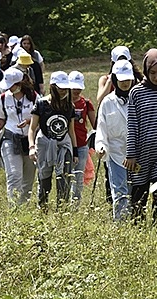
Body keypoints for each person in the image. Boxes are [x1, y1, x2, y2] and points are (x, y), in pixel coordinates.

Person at [124, 48, 157, 223]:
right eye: (153, 73)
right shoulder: (136, 92)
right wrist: (131, 154)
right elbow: (132, 125)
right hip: (141, 152)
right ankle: (138, 224)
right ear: (146, 71)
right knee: (139, 192)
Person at [28, 71, 78, 209]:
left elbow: (71, 130)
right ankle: (42, 207)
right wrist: (32, 147)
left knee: (65, 179)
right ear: (53, 86)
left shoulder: (69, 106)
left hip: (64, 145)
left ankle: (62, 210)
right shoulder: (41, 104)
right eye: (60, 88)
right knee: (44, 180)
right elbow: (32, 128)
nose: (63, 91)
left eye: (65, 88)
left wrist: (75, 152)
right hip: (44, 144)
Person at [0, 67, 38, 206]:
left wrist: (29, 121)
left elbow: (40, 118)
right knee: (14, 175)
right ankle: (13, 208)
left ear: (20, 84)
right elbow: (1, 119)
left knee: (28, 179)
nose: (9, 89)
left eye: (12, 86)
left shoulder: (34, 97)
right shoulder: (4, 98)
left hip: (30, 141)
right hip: (10, 139)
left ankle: (24, 206)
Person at [95, 60, 136, 220]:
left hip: (134, 154)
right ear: (114, 80)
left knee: (134, 190)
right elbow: (101, 127)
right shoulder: (107, 102)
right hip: (115, 153)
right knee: (119, 190)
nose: (125, 83)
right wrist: (100, 145)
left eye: (128, 79)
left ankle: (134, 222)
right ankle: (120, 222)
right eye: (121, 79)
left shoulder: (137, 98)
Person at [68, 70, 97, 204]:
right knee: (64, 175)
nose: (76, 91)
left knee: (78, 176)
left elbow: (95, 124)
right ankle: (63, 202)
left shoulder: (86, 103)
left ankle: (75, 204)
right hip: (65, 144)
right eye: (74, 87)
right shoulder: (63, 103)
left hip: (81, 145)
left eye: (79, 88)